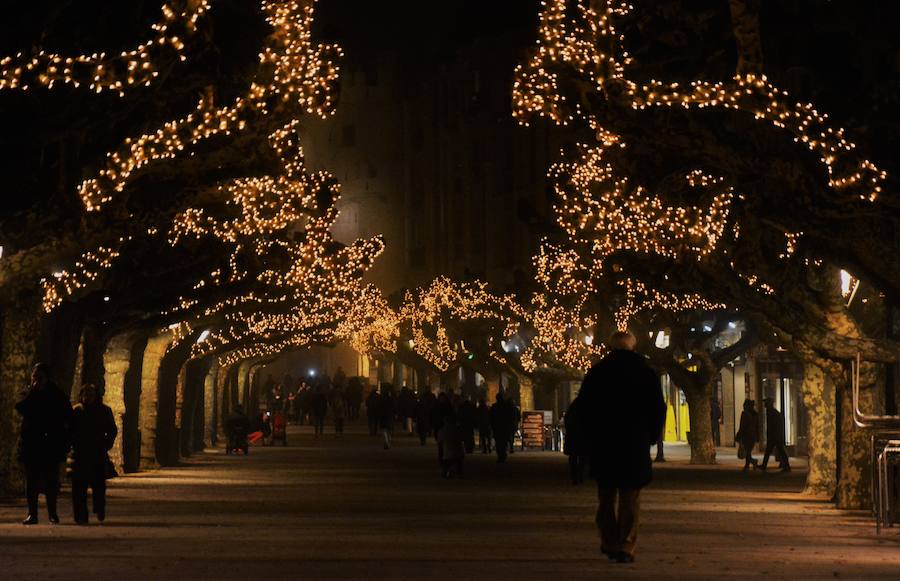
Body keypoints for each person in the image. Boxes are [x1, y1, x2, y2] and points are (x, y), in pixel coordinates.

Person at [576, 331, 666, 564]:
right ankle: (626, 545)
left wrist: (587, 439)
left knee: (606, 497)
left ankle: (609, 541)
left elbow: (583, 409)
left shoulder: (597, 373)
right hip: (634, 444)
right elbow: (658, 408)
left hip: (604, 443)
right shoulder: (646, 373)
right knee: (630, 497)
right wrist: (651, 436)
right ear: (633, 348)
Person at [15, 363, 73, 525]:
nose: (36, 380)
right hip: (31, 444)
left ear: (47, 378)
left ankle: (52, 513)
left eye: (39, 377)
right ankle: (32, 513)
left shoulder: (57, 395)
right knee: (31, 481)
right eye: (34, 377)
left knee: (51, 481)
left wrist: (64, 440)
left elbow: (67, 417)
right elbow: (20, 408)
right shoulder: (29, 393)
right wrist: (32, 393)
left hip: (50, 445)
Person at [69, 384, 117, 524]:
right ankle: (80, 515)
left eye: (90, 395)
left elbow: (112, 429)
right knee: (78, 487)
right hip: (80, 453)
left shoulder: (104, 411)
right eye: (85, 394)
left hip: (97, 452)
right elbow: (69, 429)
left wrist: (106, 444)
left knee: (98, 486)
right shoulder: (76, 411)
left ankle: (99, 507)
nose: (87, 397)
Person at [761, 398, 790, 472]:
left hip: (774, 436)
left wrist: (772, 434)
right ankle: (764, 465)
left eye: (766, 403)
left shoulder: (772, 413)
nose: (764, 405)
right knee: (773, 451)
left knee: (780, 450)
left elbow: (773, 425)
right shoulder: (772, 412)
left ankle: (786, 466)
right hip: (775, 435)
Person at [563, 398, 587, 484]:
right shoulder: (585, 413)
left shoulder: (571, 412)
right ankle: (580, 475)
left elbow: (566, 423)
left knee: (573, 457)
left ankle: (574, 476)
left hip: (573, 437)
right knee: (582, 458)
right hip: (583, 438)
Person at [490, 391, 516, 463]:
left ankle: (500, 455)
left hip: (498, 427)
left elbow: (491, 417)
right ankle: (502, 455)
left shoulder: (494, 407)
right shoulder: (506, 406)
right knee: (503, 442)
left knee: (499, 442)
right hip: (504, 427)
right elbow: (511, 417)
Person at [437, 412, 465, 478]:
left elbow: (440, 443)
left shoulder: (442, 431)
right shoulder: (457, 430)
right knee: (458, 456)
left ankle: (445, 469)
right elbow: (462, 439)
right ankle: (458, 470)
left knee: (442, 452)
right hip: (458, 453)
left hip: (447, 454)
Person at [735, 400, 759, 471]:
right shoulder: (755, 414)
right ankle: (749, 464)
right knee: (748, 451)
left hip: (746, 435)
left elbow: (742, 426)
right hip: (753, 435)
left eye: (744, 405)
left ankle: (750, 463)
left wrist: (739, 435)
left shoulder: (745, 414)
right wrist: (757, 436)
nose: (743, 406)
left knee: (747, 451)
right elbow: (757, 426)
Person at [379, 384, 396, 449]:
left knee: (384, 430)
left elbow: (380, 406)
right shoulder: (392, 398)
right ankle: (388, 442)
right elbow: (394, 406)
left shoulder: (382, 397)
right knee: (389, 430)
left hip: (384, 415)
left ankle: (386, 442)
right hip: (390, 415)